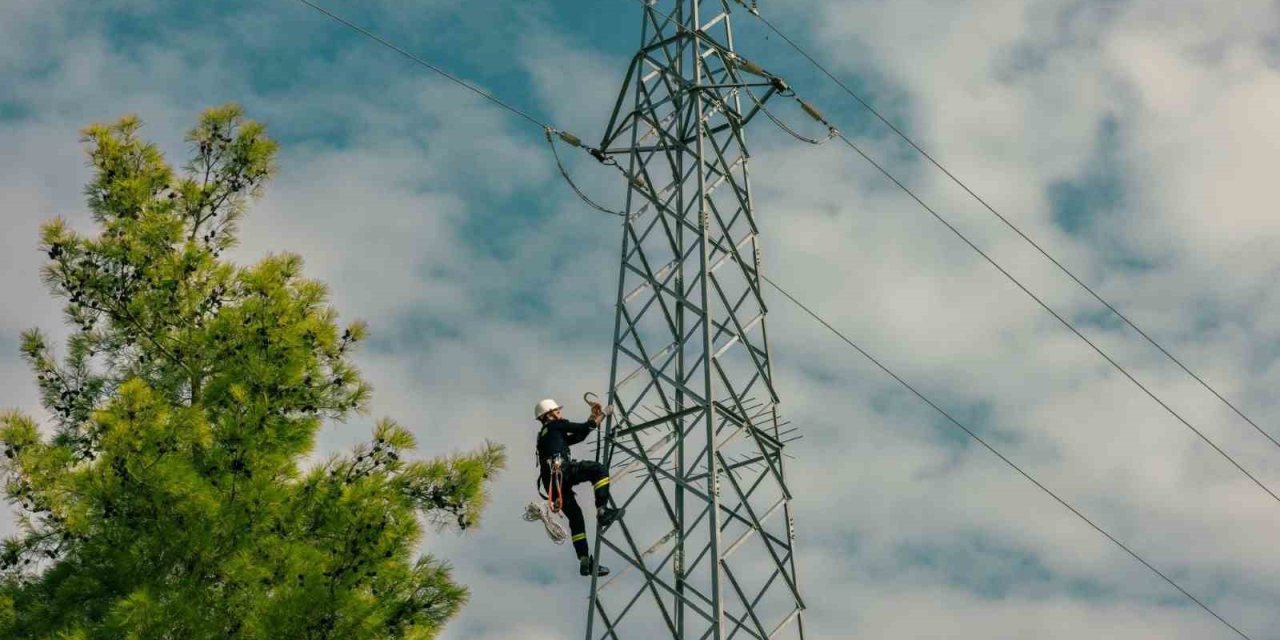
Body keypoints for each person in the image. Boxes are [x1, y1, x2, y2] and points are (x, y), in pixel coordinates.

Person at [535, 397, 624, 577]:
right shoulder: (555, 426)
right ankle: (602, 511)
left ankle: (584, 561)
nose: (560, 413)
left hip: (552, 483)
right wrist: (603, 415)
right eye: (557, 411)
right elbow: (584, 427)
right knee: (598, 470)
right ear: (549, 414)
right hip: (562, 471)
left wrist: (595, 417)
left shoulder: (545, 434)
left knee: (576, 518)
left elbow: (579, 435)